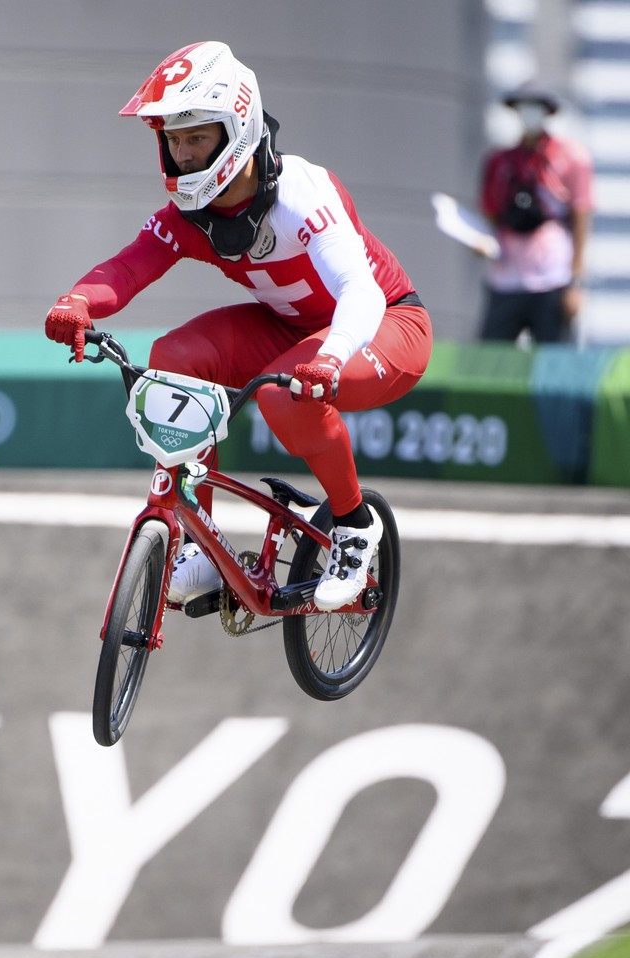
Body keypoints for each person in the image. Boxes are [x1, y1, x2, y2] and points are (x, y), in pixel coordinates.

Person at [44, 40, 433, 612]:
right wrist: (76, 303)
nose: (183, 155)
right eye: (172, 141)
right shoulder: (190, 215)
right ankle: (197, 544)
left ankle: (353, 526)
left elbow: (361, 292)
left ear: (239, 128)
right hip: (288, 327)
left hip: (383, 323)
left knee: (286, 396)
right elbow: (128, 267)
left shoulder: (303, 193)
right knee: (171, 357)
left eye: (196, 137)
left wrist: (329, 358)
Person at [477, 82, 594, 344]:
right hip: (506, 276)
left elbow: (581, 219)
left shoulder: (571, 157)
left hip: (553, 275)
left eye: (536, 108)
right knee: (488, 361)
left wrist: (576, 283)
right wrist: (482, 243)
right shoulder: (498, 162)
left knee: (556, 365)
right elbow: (490, 217)